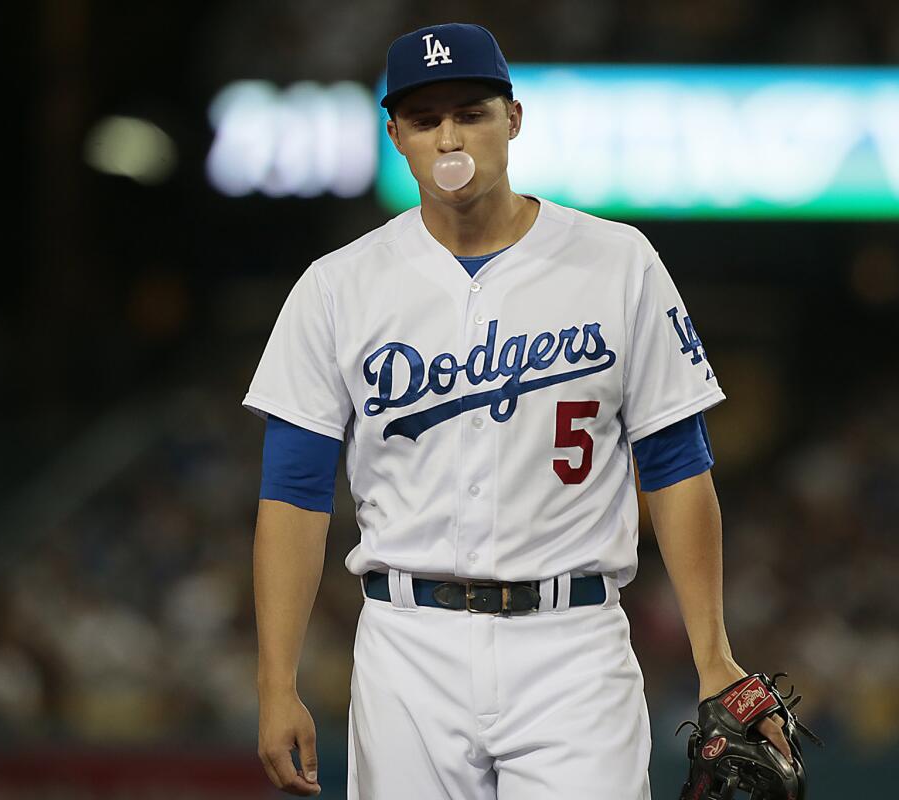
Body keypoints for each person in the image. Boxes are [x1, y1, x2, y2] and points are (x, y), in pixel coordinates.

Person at [246, 22, 792, 799]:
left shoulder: (617, 260)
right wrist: (276, 683)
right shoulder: (338, 286)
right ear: (395, 134)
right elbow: (293, 489)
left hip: (572, 643)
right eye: (426, 119)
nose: (449, 137)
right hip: (408, 644)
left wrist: (713, 652)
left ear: (514, 119)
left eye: (470, 112)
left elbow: (675, 460)